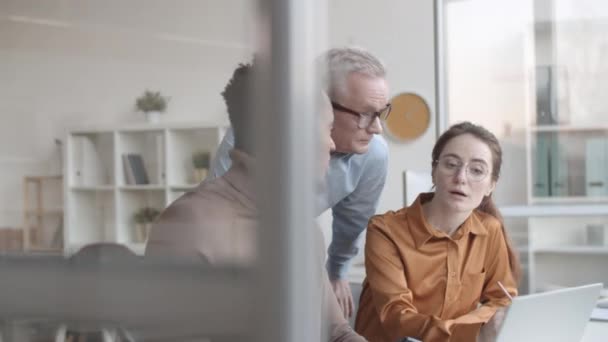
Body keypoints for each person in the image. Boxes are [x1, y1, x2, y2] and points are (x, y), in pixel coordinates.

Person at [146, 62, 366, 341]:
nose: (332, 145)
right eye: (328, 129)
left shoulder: (304, 231)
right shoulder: (189, 227)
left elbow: (337, 333)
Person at [207, 47, 390, 318]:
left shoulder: (373, 153)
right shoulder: (252, 136)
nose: (377, 128)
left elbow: (352, 221)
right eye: (364, 114)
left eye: (381, 112)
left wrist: (337, 272)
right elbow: (217, 216)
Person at [354, 122, 521, 342]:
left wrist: (487, 325)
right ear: (434, 172)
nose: (461, 177)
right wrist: (476, 330)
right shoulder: (385, 230)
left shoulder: (490, 230)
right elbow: (397, 317)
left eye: (477, 170)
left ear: (491, 185)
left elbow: (502, 300)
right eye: (451, 164)